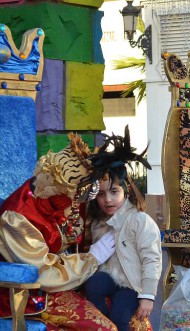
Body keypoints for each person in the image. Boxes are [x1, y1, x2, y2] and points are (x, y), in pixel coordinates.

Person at [0, 133, 120, 330]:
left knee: (135, 321)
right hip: (37, 294)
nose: (78, 204)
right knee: (104, 328)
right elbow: (43, 271)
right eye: (75, 197)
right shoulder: (17, 218)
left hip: (76, 281)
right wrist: (91, 258)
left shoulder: (71, 197)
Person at [84, 127, 161, 331]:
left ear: (126, 191)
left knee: (121, 315)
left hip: (130, 285)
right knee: (93, 285)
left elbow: (152, 258)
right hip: (108, 277)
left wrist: (147, 295)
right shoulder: (97, 222)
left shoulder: (139, 221)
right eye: (101, 195)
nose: (107, 200)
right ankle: (104, 322)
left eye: (114, 192)